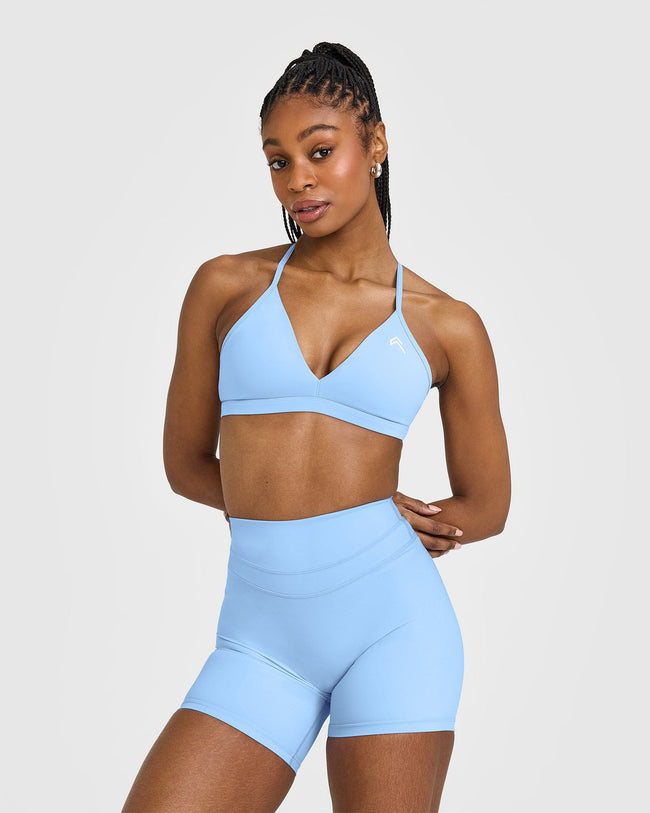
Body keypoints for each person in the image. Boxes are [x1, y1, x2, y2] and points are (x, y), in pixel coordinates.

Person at [121, 41, 511, 813]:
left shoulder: (446, 324)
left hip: (394, 632)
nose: (296, 178)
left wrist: (379, 521)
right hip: (259, 640)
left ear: (377, 144)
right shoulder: (226, 288)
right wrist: (300, 508)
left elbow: (488, 504)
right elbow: (185, 461)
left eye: (320, 150)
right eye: (278, 160)